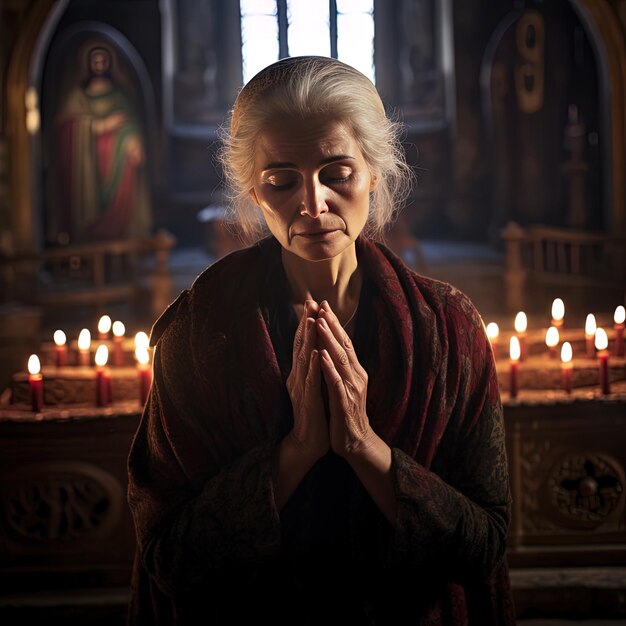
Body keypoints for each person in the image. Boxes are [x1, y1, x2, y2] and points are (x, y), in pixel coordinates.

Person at [126, 56, 516, 625]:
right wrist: (297, 452)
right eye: (282, 180)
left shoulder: (449, 329)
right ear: (254, 193)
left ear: (375, 171)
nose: (312, 205)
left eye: (337, 172)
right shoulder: (198, 333)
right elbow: (168, 555)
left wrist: (364, 446)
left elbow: (485, 543)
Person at [53, 42, 151, 243]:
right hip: (87, 164)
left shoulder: (120, 94)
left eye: (102, 60)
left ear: (109, 63)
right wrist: (97, 126)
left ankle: (122, 231)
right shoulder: (78, 96)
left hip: (117, 161)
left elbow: (130, 121)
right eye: (95, 60)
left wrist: (133, 141)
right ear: (88, 64)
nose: (99, 64)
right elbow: (65, 126)